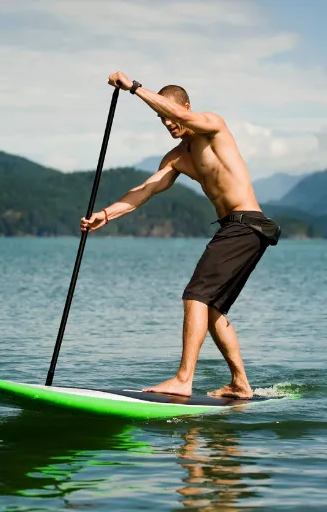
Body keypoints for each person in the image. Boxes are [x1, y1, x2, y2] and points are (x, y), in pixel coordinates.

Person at [80, 71, 280, 399]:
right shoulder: (177, 158)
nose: (168, 124)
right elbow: (144, 191)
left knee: (195, 296)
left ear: (185, 107)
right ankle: (240, 384)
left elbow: (182, 116)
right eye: (162, 120)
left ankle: (183, 379)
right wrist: (105, 214)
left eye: (170, 116)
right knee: (211, 309)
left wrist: (133, 87)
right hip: (235, 228)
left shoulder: (213, 126)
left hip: (245, 224)